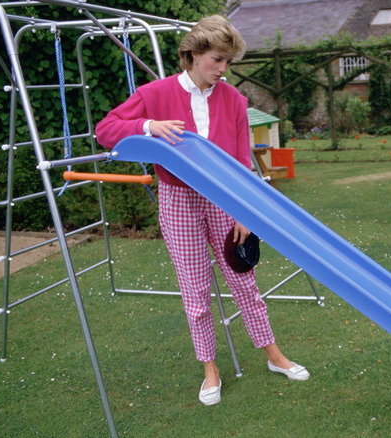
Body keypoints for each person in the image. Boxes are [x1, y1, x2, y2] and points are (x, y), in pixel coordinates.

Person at [95, 15, 309, 406]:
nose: (223, 70)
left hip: (226, 198)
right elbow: (105, 129)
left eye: (228, 62)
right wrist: (147, 126)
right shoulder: (154, 93)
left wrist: (245, 212)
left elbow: (243, 162)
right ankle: (210, 368)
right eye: (217, 60)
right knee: (195, 291)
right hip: (177, 199)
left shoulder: (235, 100)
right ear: (192, 56)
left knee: (244, 280)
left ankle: (273, 354)